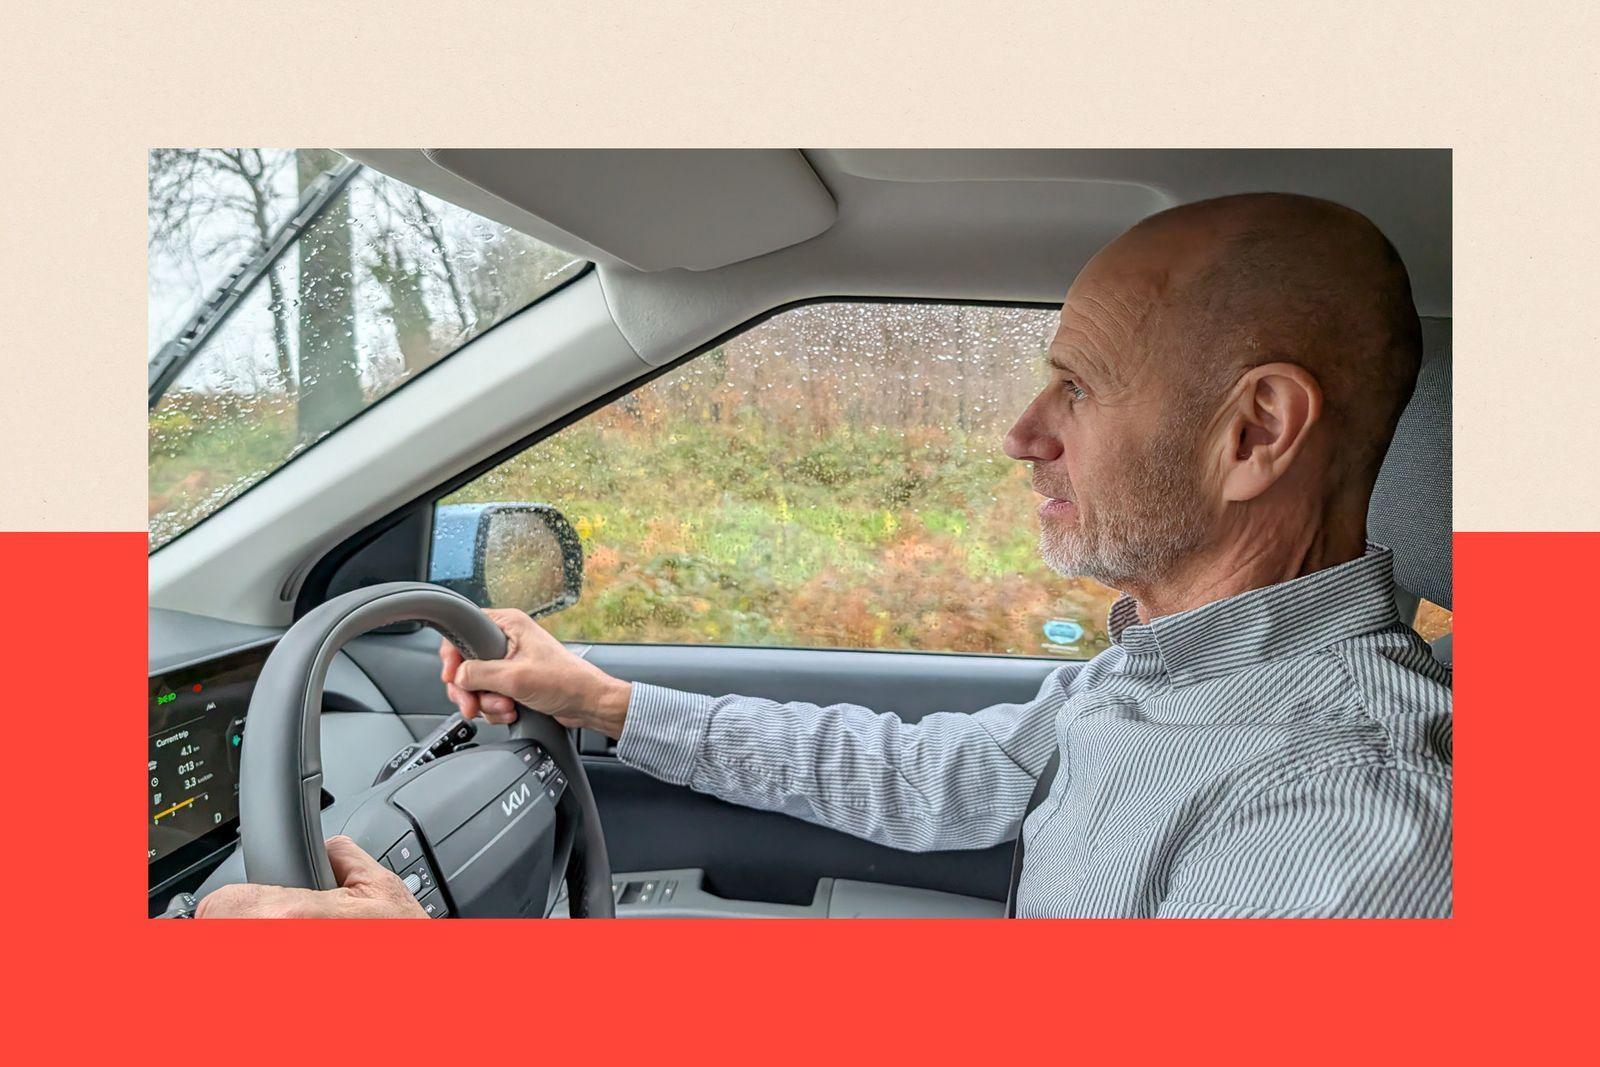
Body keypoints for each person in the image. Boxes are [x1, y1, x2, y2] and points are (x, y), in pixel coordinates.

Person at [199, 191, 1451, 920]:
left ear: (1255, 432)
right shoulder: (1168, 673)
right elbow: (935, 771)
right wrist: (608, 703)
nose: (1023, 434)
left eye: (1076, 384)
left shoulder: (1344, 810)